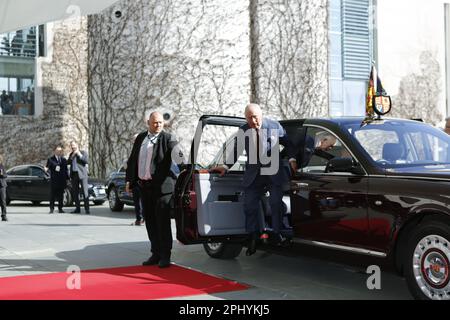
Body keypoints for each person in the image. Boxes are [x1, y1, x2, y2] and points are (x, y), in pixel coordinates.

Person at [211, 103, 296, 256]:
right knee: (249, 206)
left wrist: (291, 158)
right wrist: (225, 166)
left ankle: (278, 233)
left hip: (272, 172)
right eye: (249, 118)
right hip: (254, 175)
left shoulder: (274, 126)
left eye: (255, 117)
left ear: (261, 115)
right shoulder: (244, 130)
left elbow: (288, 144)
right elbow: (236, 150)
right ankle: (252, 237)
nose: (253, 121)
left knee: (276, 202)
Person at [125, 111, 182, 268]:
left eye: (161, 123)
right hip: (144, 186)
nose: (158, 125)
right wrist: (129, 180)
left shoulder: (168, 138)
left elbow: (179, 156)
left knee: (162, 223)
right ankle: (155, 253)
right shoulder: (141, 138)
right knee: (150, 221)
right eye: (155, 122)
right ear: (148, 123)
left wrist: (186, 167)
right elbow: (132, 160)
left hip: (162, 188)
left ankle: (165, 255)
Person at [45, 146, 69, 214]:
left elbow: (66, 170)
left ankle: (60, 208)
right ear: (55, 151)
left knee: (60, 195)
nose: (59, 152)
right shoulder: (50, 159)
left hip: (61, 180)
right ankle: (51, 209)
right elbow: (47, 168)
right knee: (52, 195)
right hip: (54, 180)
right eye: (57, 151)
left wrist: (67, 179)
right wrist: (48, 172)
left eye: (60, 151)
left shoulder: (63, 159)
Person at [68, 141, 90, 214]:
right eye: (71, 146)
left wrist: (79, 154)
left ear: (77, 145)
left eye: (73, 145)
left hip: (82, 175)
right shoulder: (71, 154)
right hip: (74, 175)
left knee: (85, 192)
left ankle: (87, 209)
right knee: (75, 192)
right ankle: (77, 209)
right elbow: (68, 162)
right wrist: (72, 156)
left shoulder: (83, 152)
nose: (72, 147)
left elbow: (86, 161)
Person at [0, 154, 7, 222]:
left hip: (2, 186)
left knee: (3, 201)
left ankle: (4, 216)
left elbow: (5, 175)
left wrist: (2, 174)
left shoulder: (2, 166)